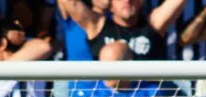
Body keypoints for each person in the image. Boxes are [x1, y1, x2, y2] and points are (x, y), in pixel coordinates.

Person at [56, 0, 185, 61]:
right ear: (110, 5)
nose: (127, 1)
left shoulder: (153, 24)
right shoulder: (97, 26)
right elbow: (70, 2)